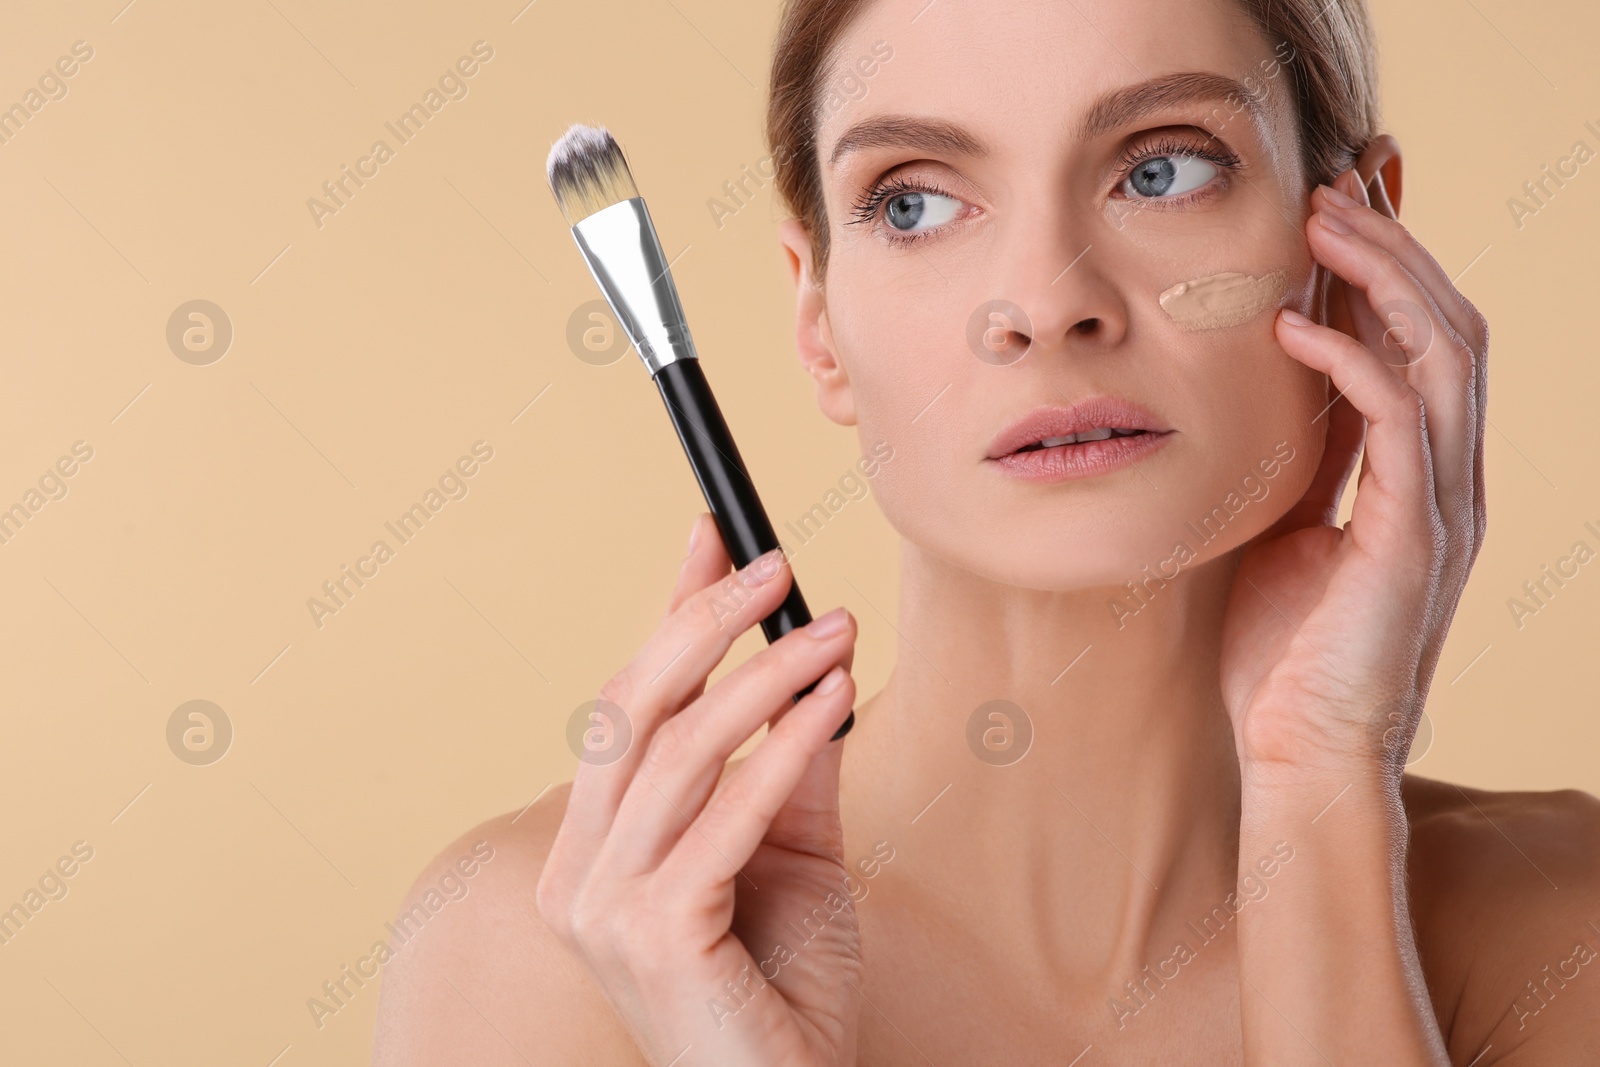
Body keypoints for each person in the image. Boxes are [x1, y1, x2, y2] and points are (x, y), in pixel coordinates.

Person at [372, 0, 1600, 1062]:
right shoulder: (545, 957)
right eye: (913, 203)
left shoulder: (1561, 924)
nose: (1045, 302)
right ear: (817, 321)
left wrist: (1323, 782)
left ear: (1359, 253)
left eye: (1161, 167)